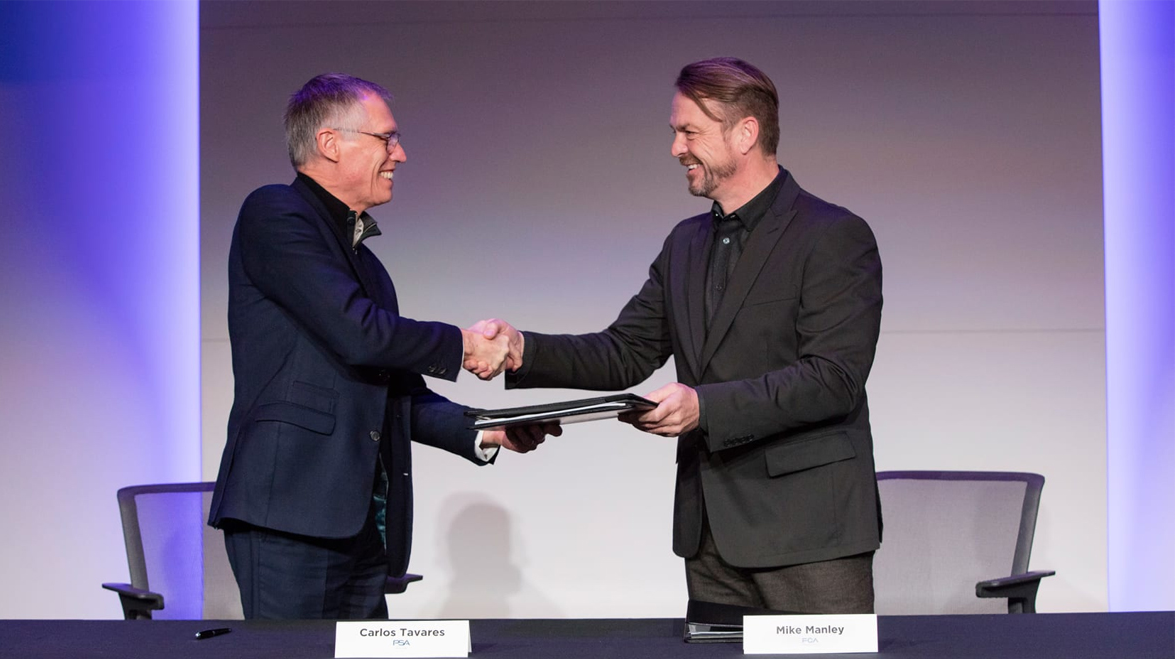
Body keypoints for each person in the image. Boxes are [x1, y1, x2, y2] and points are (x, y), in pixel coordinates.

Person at [478, 57, 883, 613]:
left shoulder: (832, 235)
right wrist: (522, 349)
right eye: (675, 132)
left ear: (745, 133)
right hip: (710, 536)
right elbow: (625, 351)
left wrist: (703, 407)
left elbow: (832, 379)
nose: (676, 148)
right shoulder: (685, 244)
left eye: (690, 132)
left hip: (810, 535)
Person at [208, 73, 558, 620]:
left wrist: (488, 429)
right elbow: (359, 332)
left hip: (360, 525)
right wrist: (464, 345)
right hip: (288, 514)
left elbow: (398, 393)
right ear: (330, 143)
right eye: (387, 138)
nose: (400, 153)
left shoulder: (368, 267)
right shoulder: (275, 212)